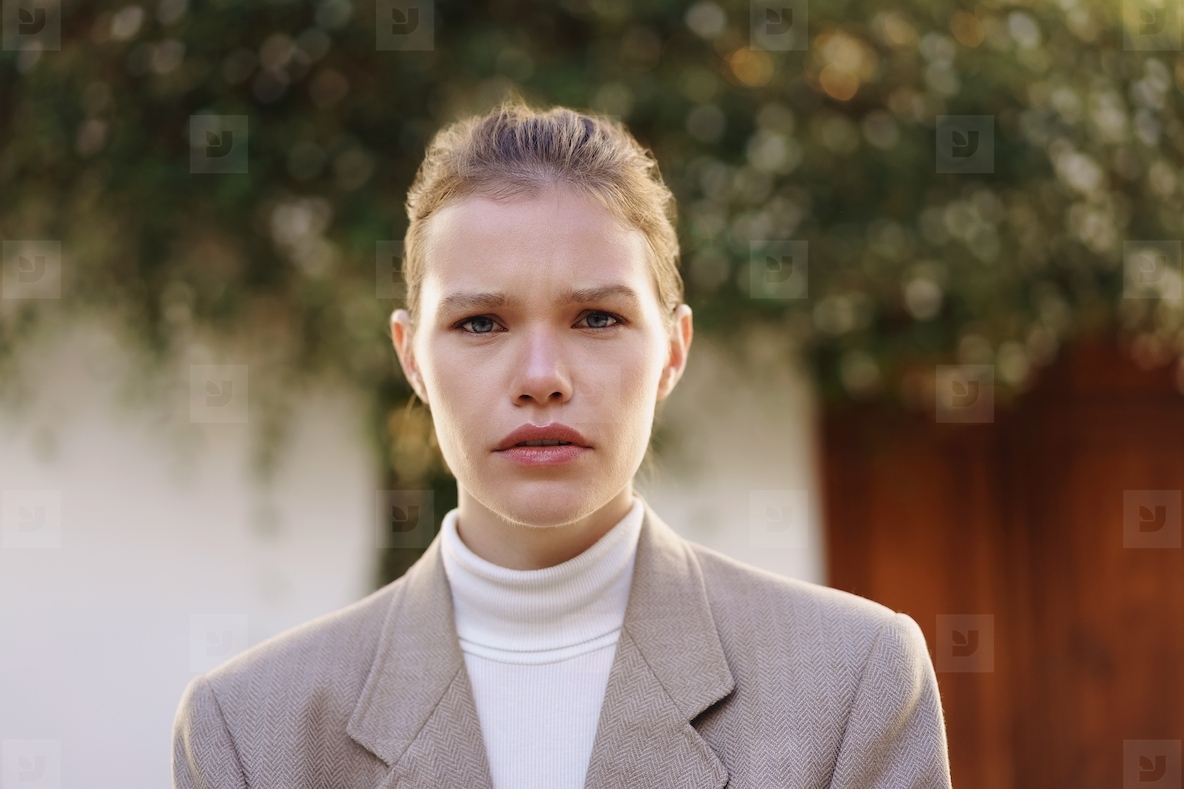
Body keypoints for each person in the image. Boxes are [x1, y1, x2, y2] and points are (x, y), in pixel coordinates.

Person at [172, 97, 953, 789]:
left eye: (597, 318)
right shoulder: (250, 731)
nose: (541, 378)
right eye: (481, 322)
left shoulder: (851, 681)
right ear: (411, 356)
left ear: (673, 351)